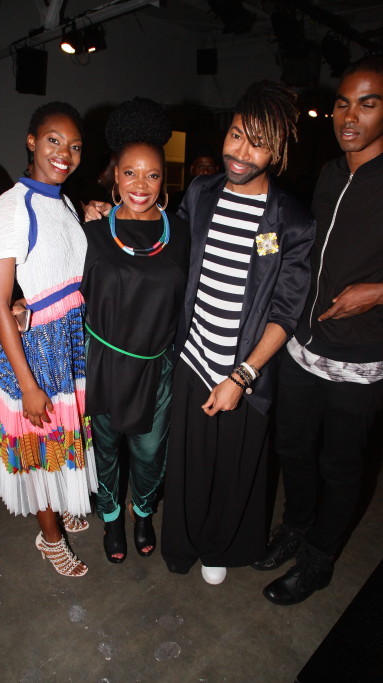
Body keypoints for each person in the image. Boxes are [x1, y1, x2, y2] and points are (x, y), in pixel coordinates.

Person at [160, 80, 316, 585]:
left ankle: (218, 548)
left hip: (245, 372)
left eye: (258, 143)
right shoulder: (201, 192)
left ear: (278, 151)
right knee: (188, 462)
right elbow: (169, 245)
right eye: (235, 135)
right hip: (192, 357)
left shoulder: (291, 221)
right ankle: (183, 542)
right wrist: (118, 216)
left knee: (234, 469)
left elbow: (286, 313)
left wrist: (241, 376)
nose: (241, 152)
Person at [255, 55, 383, 605]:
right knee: (293, 446)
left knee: (340, 465)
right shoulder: (331, 172)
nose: (350, 116)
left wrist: (378, 292)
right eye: (343, 103)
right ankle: (295, 528)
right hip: (303, 346)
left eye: (368, 104)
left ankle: (319, 558)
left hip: (360, 355)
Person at [0, 101, 97, 577]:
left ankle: (65, 502)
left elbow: (64, 271)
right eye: (54, 140)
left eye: (75, 146)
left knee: (65, 439)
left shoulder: (65, 201)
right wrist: (28, 385)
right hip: (37, 352)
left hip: (71, 341)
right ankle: (50, 539)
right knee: (39, 451)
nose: (64, 154)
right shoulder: (12, 205)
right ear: (32, 141)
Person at [81, 98, 190, 563]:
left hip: (156, 368)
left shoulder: (181, 234)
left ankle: (142, 512)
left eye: (152, 175)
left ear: (164, 180)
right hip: (104, 365)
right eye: (130, 173)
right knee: (105, 451)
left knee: (149, 454)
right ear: (115, 176)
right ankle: (111, 519)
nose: (140, 185)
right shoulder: (92, 232)